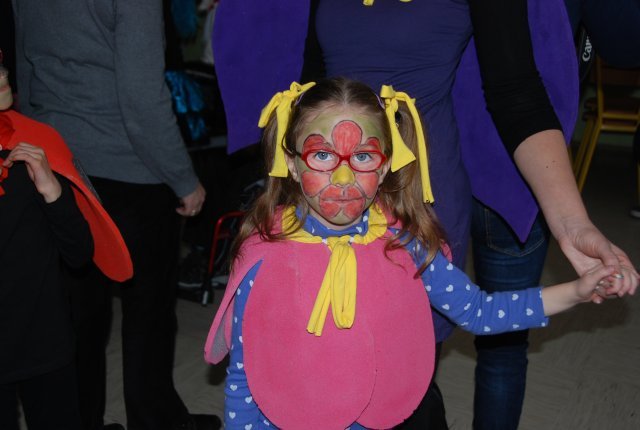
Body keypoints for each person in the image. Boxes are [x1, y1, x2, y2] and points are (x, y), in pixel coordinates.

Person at [209, 1, 639, 428]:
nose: (343, 178)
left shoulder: (408, 246)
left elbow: (480, 311)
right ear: (292, 161)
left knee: (402, 372)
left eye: (362, 157)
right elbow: (249, 376)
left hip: (418, 203)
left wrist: (575, 258)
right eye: (323, 156)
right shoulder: (266, 251)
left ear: (385, 165)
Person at [12, 1, 220, 429]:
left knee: (77, 312)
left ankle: (81, 419)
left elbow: (24, 71)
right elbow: (142, 100)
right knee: (149, 309)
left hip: (58, 165)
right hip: (129, 170)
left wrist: (35, 157)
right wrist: (184, 179)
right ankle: (156, 420)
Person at [0, 69, 131, 429]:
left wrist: (52, 190)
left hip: (44, 336)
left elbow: (79, 253)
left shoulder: (33, 140)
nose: (4, 74)